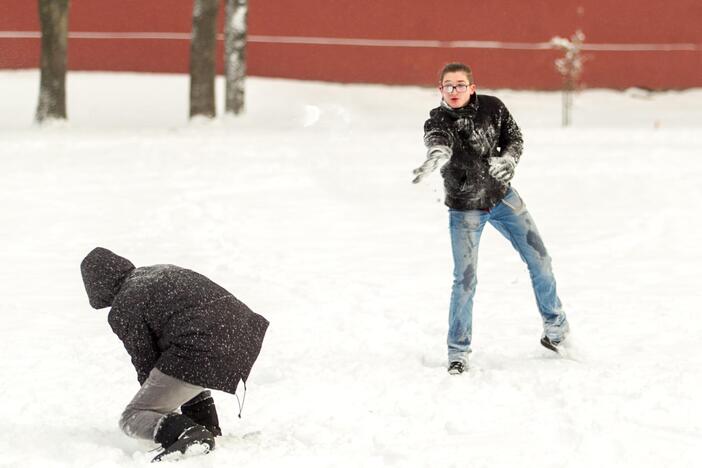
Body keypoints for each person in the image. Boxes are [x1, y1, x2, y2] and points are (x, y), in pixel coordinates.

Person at [412, 63, 570, 375]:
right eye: (448, 86)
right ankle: (458, 351)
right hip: (465, 208)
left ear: (472, 87)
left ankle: (556, 331)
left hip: (502, 198)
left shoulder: (493, 108)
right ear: (440, 89)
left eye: (460, 85)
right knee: (465, 280)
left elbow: (514, 136)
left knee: (540, 260)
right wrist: (437, 155)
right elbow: (438, 140)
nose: (454, 91)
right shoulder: (438, 118)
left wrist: (509, 159)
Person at [80, 247, 269, 460]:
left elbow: (146, 362)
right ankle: (205, 428)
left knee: (132, 417)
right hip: (244, 333)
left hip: (203, 343)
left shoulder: (125, 304)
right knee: (179, 369)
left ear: (98, 287)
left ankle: (189, 434)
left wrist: (159, 414)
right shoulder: (158, 271)